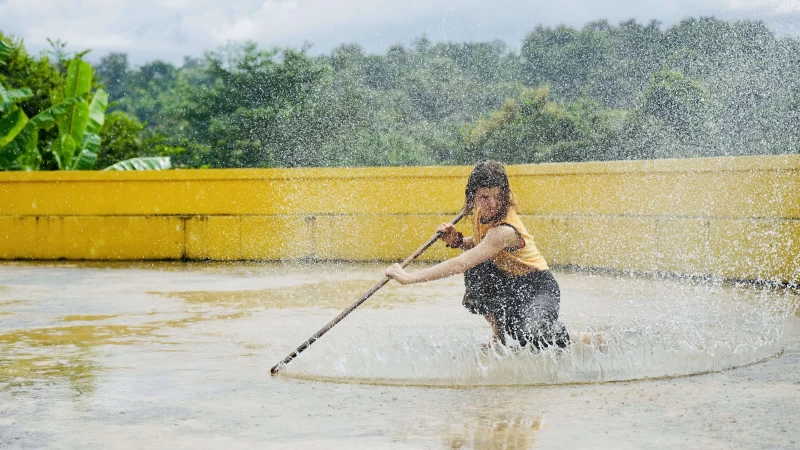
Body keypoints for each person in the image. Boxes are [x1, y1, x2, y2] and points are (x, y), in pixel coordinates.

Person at [385, 160, 570, 350]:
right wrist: (457, 241)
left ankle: (586, 340)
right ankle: (498, 339)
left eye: (498, 196)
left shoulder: (504, 231)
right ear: (473, 195)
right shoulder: (480, 214)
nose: (492, 204)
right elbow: (481, 244)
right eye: (485, 196)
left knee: (533, 335)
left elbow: (460, 264)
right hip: (510, 284)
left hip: (537, 287)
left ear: (505, 195)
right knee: (479, 267)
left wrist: (409, 277)